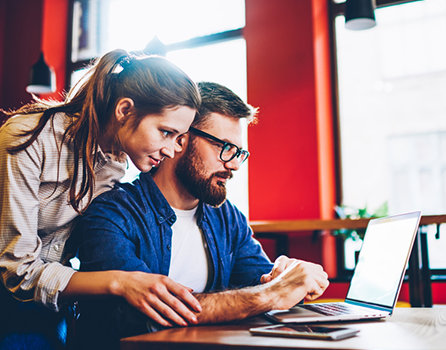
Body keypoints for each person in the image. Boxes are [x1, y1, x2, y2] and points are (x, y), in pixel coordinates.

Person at [0, 49, 203, 350]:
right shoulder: (25, 139)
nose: (173, 149)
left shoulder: (116, 164)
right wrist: (121, 283)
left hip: (47, 292)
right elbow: (17, 269)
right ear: (124, 110)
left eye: (179, 138)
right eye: (166, 132)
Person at [74, 82, 329, 348]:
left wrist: (288, 277)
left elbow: (265, 285)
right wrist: (270, 294)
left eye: (239, 153)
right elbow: (140, 315)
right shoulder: (112, 212)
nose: (233, 165)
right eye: (224, 147)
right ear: (181, 138)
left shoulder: (227, 218)